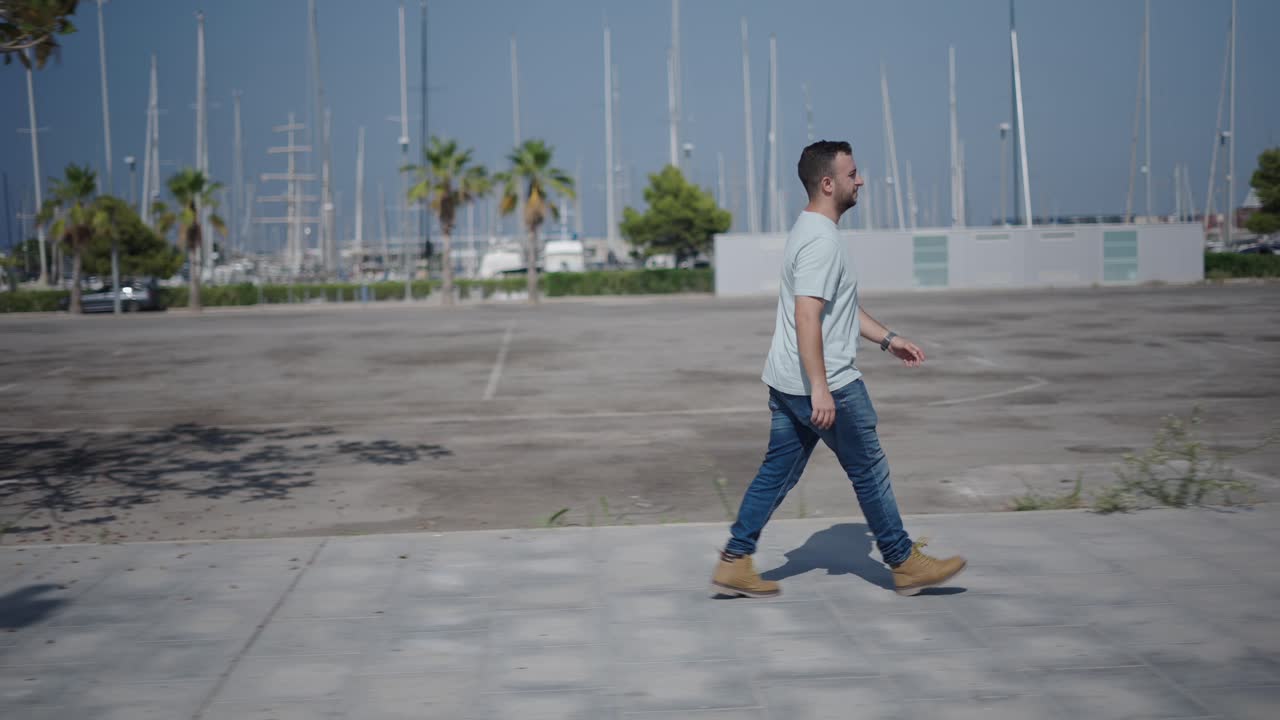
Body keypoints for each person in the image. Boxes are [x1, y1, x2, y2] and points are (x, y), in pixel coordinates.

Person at [711, 140, 966, 598]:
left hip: (788, 379)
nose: (860, 180)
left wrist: (889, 339)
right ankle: (904, 562)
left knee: (777, 471)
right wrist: (821, 389)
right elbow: (807, 315)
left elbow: (836, 310)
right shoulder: (821, 242)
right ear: (828, 184)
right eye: (852, 174)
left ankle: (734, 559)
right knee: (869, 470)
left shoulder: (808, 230)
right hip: (824, 384)